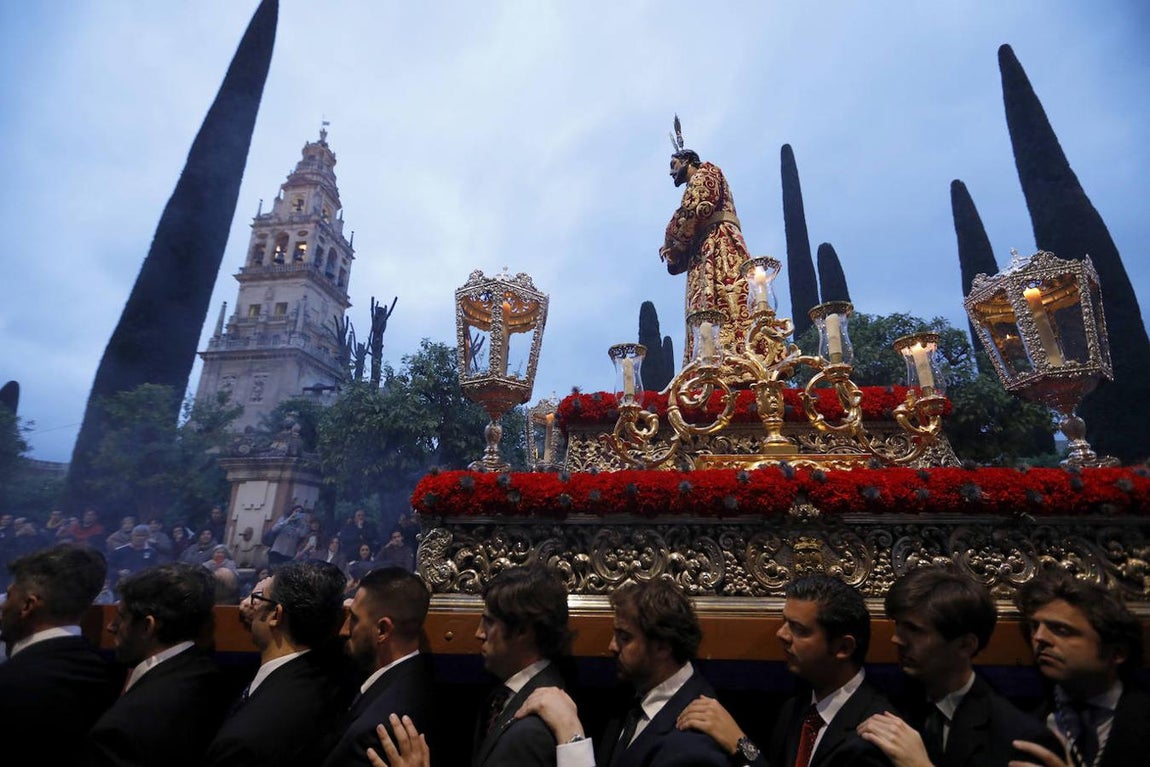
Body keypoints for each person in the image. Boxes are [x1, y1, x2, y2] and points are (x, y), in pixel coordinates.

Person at [677, 574, 893, 767]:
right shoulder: (795, 710)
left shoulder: (876, 733)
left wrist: (740, 744)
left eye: (799, 629)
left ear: (843, 648)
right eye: (785, 622)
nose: (782, 634)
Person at [856, 566, 1058, 767]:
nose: (896, 639)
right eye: (897, 625)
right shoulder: (881, 704)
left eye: (914, 630)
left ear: (965, 645)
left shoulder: (1018, 737)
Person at [203, 561, 358, 767]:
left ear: (276, 615)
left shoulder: (240, 744)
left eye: (257, 598)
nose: (251, 604)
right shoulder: (339, 672)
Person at [88, 563, 231, 767]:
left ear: (147, 626)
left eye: (121, 617)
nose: (111, 627)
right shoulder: (213, 679)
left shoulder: (121, 729)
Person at [1014, 567, 1150, 767]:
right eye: (1035, 626)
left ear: (1117, 653)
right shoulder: (1017, 720)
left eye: (1061, 630)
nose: (1039, 638)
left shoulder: (1143, 718)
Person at [0, 545, 121, 763]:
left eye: (8, 596)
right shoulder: (113, 672)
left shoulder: (9, 681)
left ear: (27, 605)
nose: (3, 606)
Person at [593, 578, 730, 767]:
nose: (612, 646)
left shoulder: (693, 744)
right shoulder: (628, 697)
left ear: (663, 647)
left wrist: (571, 737)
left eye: (624, 637)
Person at [660, 115, 753, 365]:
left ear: (688, 160)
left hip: (720, 246)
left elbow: (693, 211)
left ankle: (735, 357)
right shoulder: (696, 181)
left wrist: (670, 241)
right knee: (703, 306)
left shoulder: (707, 172)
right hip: (704, 249)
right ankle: (706, 364)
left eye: (673, 164)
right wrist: (674, 254)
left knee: (724, 299)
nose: (670, 173)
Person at [322, 566, 436, 767]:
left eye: (355, 619)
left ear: (382, 629)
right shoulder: (415, 678)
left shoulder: (381, 727)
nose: (344, 629)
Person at [472, 564, 573, 767]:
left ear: (522, 631)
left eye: (489, 622)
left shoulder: (532, 729)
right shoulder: (502, 698)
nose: (479, 634)